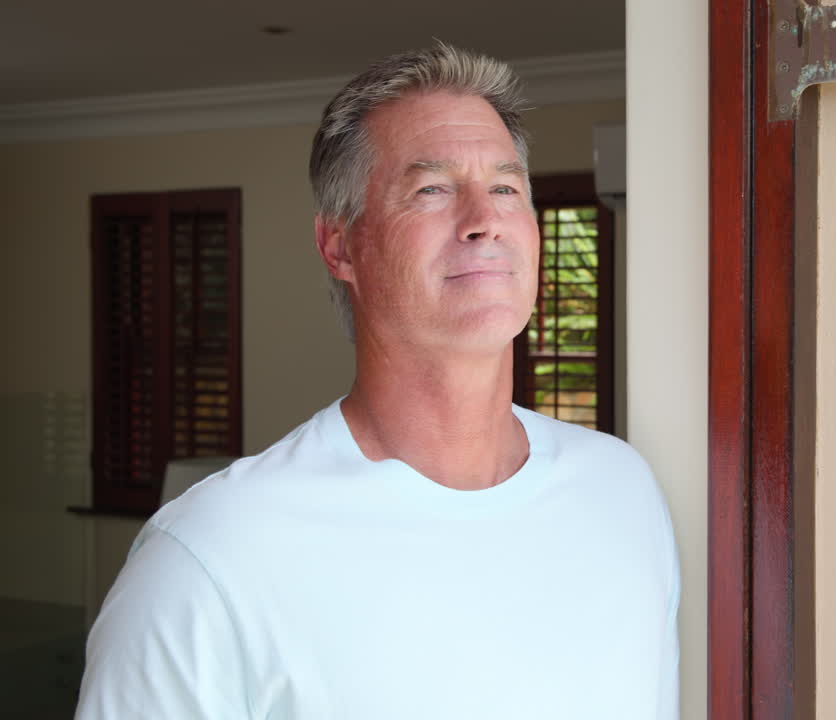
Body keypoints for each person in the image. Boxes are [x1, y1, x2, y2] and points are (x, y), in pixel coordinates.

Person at [75, 42, 679, 719]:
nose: (484, 221)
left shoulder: (622, 493)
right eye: (432, 190)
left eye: (506, 187)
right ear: (340, 245)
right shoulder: (210, 558)